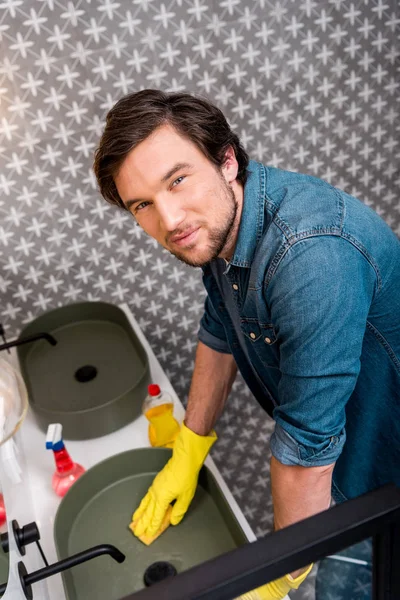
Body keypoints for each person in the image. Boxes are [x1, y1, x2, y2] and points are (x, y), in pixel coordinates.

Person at [93, 89, 400, 599]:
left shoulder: (310, 257)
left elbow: (307, 448)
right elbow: (221, 326)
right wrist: (191, 446)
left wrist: (278, 573)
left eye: (177, 180)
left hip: (379, 469)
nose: (168, 221)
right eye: (142, 205)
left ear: (227, 160)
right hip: (339, 458)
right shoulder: (222, 223)